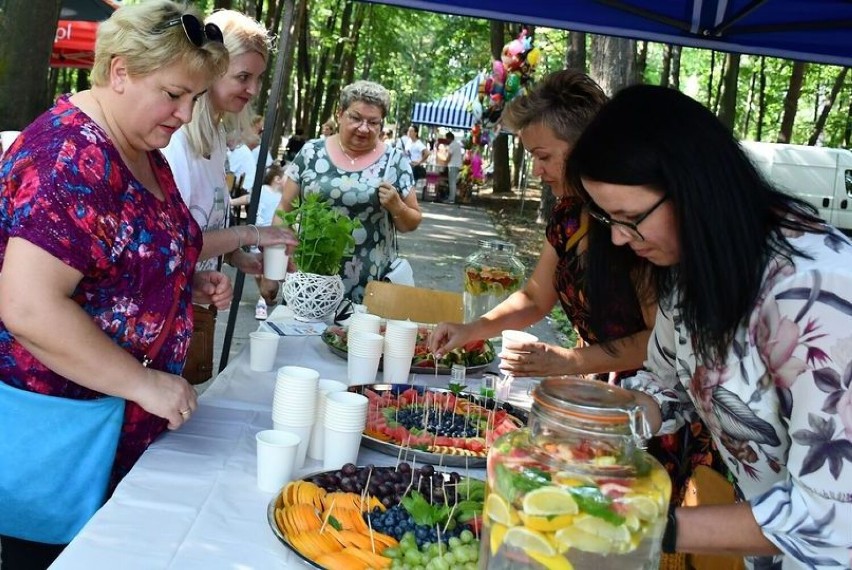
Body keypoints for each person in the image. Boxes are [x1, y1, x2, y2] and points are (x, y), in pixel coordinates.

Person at [570, 84, 852, 568]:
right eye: (606, 218)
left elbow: (833, 519)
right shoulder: (693, 268)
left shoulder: (819, 297)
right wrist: (590, 426)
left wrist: (647, 525)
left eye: (630, 218)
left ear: (693, 187)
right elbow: (670, 387)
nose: (617, 238)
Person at [0, 2, 232, 567]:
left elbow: (117, 256)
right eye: (174, 94)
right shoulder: (70, 157)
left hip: (110, 428)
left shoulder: (138, 143)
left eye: (195, 98)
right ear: (121, 71)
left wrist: (177, 282)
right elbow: (27, 307)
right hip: (59, 435)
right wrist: (143, 383)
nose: (184, 113)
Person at [429, 70, 655, 380]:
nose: (536, 170)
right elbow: (535, 298)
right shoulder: (568, 217)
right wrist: (471, 329)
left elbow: (657, 339)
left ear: (586, 146)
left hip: (654, 401)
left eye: (543, 156)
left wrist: (572, 361)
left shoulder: (639, 222)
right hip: (599, 387)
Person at [162, 9, 295, 277]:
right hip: (170, 306)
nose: (253, 89)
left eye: (258, 78)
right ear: (211, 71)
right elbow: (171, 244)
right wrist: (249, 233)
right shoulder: (173, 138)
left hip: (198, 303)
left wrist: (237, 257)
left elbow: (206, 223)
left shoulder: (217, 134)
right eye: (243, 77)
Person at [278, 80, 421, 303]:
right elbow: (283, 212)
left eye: (373, 122)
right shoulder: (311, 153)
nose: (364, 128)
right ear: (339, 114)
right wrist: (279, 264)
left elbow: (411, 222)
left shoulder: (394, 161)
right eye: (355, 118)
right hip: (310, 278)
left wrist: (397, 207)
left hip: (371, 287)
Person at [249, 163, 288, 319]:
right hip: (262, 234)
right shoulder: (269, 193)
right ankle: (264, 296)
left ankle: (263, 299)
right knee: (259, 270)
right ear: (277, 179)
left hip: (266, 235)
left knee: (262, 270)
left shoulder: (282, 196)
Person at [402, 125, 430, 193]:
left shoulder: (418, 143)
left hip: (413, 166)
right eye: (409, 131)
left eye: (411, 131)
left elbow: (427, 153)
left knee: (412, 183)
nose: (409, 132)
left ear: (415, 133)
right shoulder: (409, 141)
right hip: (406, 164)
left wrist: (419, 162)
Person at [445, 131, 463, 203]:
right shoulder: (458, 144)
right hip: (458, 165)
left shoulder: (452, 145)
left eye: (447, 139)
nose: (446, 140)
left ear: (449, 138)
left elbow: (449, 156)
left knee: (452, 182)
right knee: (454, 182)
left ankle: (451, 199)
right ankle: (452, 198)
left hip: (453, 165)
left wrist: (445, 163)